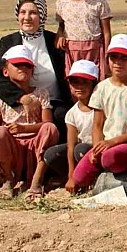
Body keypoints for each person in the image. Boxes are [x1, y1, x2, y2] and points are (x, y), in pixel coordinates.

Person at [0, 0, 71, 148]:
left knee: (61, 119)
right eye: (23, 12)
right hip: (17, 101)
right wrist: (22, 98)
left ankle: (50, 160)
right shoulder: (8, 42)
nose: (27, 17)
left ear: (42, 16)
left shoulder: (54, 41)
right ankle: (7, 156)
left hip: (51, 101)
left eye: (33, 13)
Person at [72, 34, 127, 188]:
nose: (118, 63)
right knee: (78, 179)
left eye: (124, 58)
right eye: (113, 57)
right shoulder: (102, 88)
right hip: (106, 143)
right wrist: (97, 147)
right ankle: (109, 174)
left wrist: (113, 142)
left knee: (111, 159)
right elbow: (97, 125)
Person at [0, 45, 59, 200]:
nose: (23, 68)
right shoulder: (0, 99)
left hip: (35, 144)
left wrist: (24, 128)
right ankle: (8, 180)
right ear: (5, 71)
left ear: (32, 71)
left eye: (27, 65)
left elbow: (47, 123)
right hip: (13, 148)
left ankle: (37, 180)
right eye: (17, 65)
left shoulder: (40, 94)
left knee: (50, 129)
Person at [55, 0, 113, 80]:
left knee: (95, 83)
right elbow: (62, 26)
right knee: (74, 84)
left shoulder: (100, 3)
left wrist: (107, 58)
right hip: (71, 52)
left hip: (94, 51)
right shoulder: (62, 3)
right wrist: (60, 35)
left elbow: (107, 33)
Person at [43, 60, 98, 193]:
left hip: (96, 150)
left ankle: (92, 179)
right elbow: (71, 144)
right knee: (51, 154)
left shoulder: (100, 107)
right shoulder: (72, 114)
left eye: (85, 82)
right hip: (79, 151)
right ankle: (73, 178)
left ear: (94, 84)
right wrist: (71, 175)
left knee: (81, 149)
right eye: (75, 82)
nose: (79, 86)